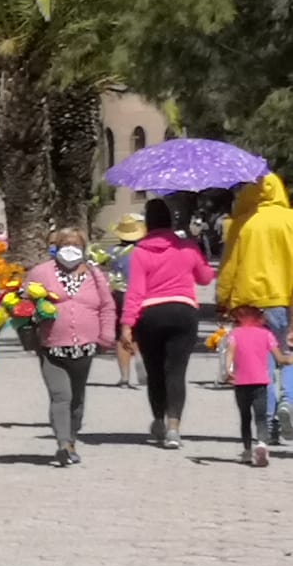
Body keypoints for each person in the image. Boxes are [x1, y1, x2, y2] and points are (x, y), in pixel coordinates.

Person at [121, 197, 215, 449]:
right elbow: (206, 278)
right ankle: (174, 428)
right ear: (170, 221)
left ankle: (158, 421)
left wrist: (127, 325)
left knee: (154, 372)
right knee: (176, 371)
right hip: (183, 311)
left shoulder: (140, 252)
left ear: (148, 223)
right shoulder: (187, 247)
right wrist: (199, 254)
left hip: (151, 314)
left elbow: (135, 292)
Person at [24, 229, 117, 467]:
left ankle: (72, 439)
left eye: (75, 243)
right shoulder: (40, 273)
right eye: (64, 243)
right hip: (52, 348)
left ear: (84, 247)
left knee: (77, 399)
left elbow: (107, 307)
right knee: (60, 396)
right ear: (55, 246)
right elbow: (21, 308)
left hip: (85, 348)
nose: (70, 247)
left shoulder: (95, 275)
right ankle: (63, 444)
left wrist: (107, 335)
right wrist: (30, 327)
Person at [215, 175, 293, 440]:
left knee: (262, 364)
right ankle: (289, 401)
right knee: (286, 353)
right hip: (282, 300)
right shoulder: (290, 221)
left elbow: (228, 266)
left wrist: (222, 298)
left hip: (248, 306)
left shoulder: (242, 224)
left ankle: (268, 420)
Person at [225, 306, 293, 467]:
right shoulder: (267, 335)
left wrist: (228, 371)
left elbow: (229, 354)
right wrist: (290, 358)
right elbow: (281, 359)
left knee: (245, 417)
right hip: (261, 382)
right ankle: (262, 444)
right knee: (261, 418)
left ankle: (247, 451)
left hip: (241, 383)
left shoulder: (235, 334)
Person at [103, 213, 144, 389]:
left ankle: (124, 376)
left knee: (122, 334)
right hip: (141, 295)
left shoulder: (112, 252)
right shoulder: (144, 252)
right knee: (140, 334)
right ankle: (143, 369)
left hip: (119, 294)